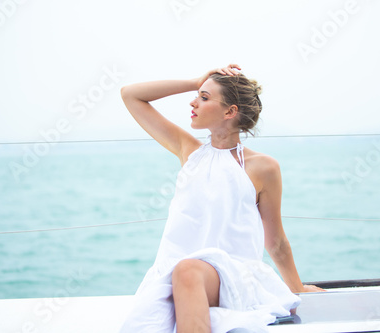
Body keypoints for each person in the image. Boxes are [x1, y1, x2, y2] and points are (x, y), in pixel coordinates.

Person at [119, 64, 324, 333]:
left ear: (230, 111)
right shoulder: (189, 151)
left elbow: (275, 241)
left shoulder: (263, 167)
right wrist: (196, 81)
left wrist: (296, 287)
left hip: (233, 277)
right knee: (184, 274)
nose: (193, 101)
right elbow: (130, 95)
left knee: (188, 271)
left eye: (204, 98)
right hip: (174, 276)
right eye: (198, 95)